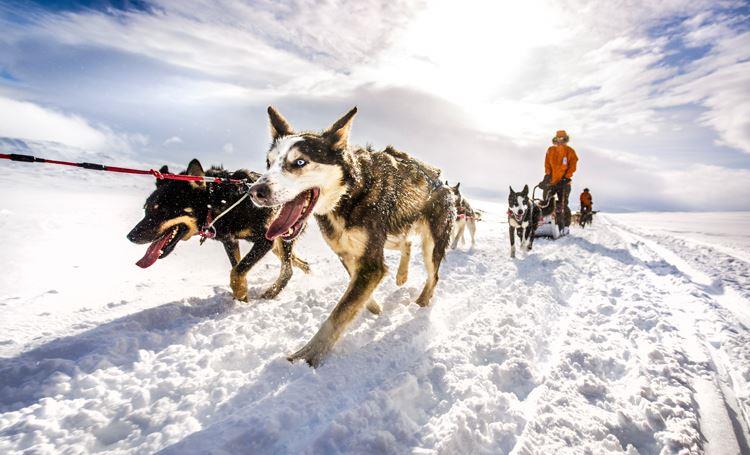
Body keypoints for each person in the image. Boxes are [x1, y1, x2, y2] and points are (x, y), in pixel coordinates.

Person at [539, 130, 578, 230]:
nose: (560, 141)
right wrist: (547, 176)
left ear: (566, 139)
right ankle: (543, 223)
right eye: (558, 139)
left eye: (563, 139)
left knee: (562, 204)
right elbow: (547, 163)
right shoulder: (550, 150)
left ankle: (563, 225)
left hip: (564, 182)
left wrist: (566, 177)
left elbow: (572, 166)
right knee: (546, 202)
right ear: (555, 139)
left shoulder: (570, 151)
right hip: (551, 182)